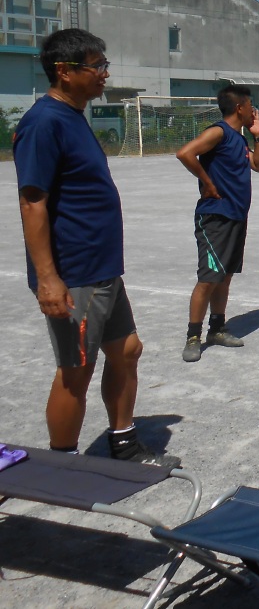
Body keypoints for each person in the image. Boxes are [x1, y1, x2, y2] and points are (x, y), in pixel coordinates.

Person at [14, 28, 177, 466]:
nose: (105, 73)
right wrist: (48, 279)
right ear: (64, 72)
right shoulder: (44, 123)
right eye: (96, 66)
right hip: (75, 271)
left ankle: (124, 444)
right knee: (76, 369)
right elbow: (32, 203)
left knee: (127, 351)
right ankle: (63, 465)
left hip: (101, 266)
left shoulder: (72, 116)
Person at [175, 84, 259, 362]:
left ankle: (217, 328)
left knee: (224, 277)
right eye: (250, 105)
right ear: (239, 107)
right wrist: (207, 181)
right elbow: (185, 153)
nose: (253, 110)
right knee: (208, 278)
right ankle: (193, 336)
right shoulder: (219, 132)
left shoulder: (239, 138)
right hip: (216, 217)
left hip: (236, 216)